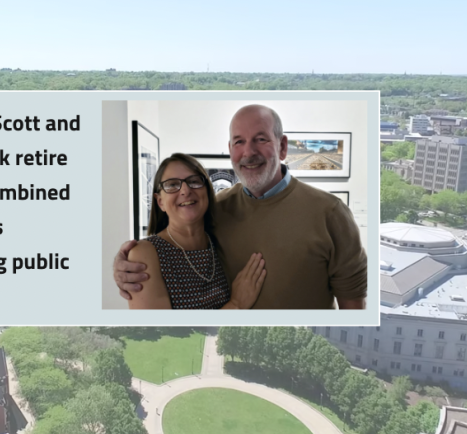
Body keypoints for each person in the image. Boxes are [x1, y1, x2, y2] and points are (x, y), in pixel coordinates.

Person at [115, 104, 367, 309]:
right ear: (230, 150)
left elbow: (353, 305)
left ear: (282, 147)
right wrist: (123, 265)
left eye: (260, 139)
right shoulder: (216, 210)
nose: (248, 152)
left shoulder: (330, 213)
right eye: (239, 142)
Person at [126, 153, 267, 309]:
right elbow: (157, 332)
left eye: (194, 181)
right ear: (160, 202)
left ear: (207, 191)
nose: (185, 190)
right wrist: (236, 304)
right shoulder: (145, 254)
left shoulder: (218, 240)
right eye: (172, 185)